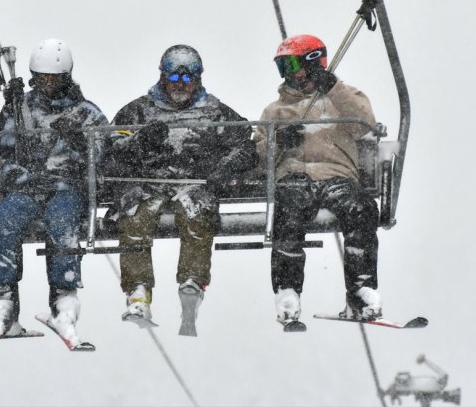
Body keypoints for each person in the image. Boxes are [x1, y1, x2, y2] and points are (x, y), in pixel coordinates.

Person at [106, 44, 258, 336]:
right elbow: (110, 150)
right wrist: (140, 142)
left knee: (197, 213)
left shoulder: (214, 112)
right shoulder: (138, 110)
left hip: (194, 181)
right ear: (163, 78)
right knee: (134, 215)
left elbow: (245, 146)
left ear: (197, 80)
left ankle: (192, 281)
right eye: (174, 79)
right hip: (149, 182)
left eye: (187, 80)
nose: (180, 86)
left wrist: (223, 168)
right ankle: (138, 291)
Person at [254, 34, 381, 331]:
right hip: (294, 177)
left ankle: (361, 288)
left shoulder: (346, 98)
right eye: (282, 67)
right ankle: (287, 291)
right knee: (289, 211)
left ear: (314, 63)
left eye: (293, 64)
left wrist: (334, 90)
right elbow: (259, 159)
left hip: (336, 176)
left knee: (361, 209)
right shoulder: (276, 111)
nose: (289, 73)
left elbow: (365, 125)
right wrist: (278, 141)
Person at [0, 38, 108, 341]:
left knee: (62, 223)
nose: (48, 84)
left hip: (67, 188)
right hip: (28, 187)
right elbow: (0, 148)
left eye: (55, 78)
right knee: (3, 223)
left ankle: (64, 301)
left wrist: (79, 141)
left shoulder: (85, 113)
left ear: (66, 77)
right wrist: (22, 171)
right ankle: (4, 304)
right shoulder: (19, 109)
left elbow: (104, 153)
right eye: (42, 78)